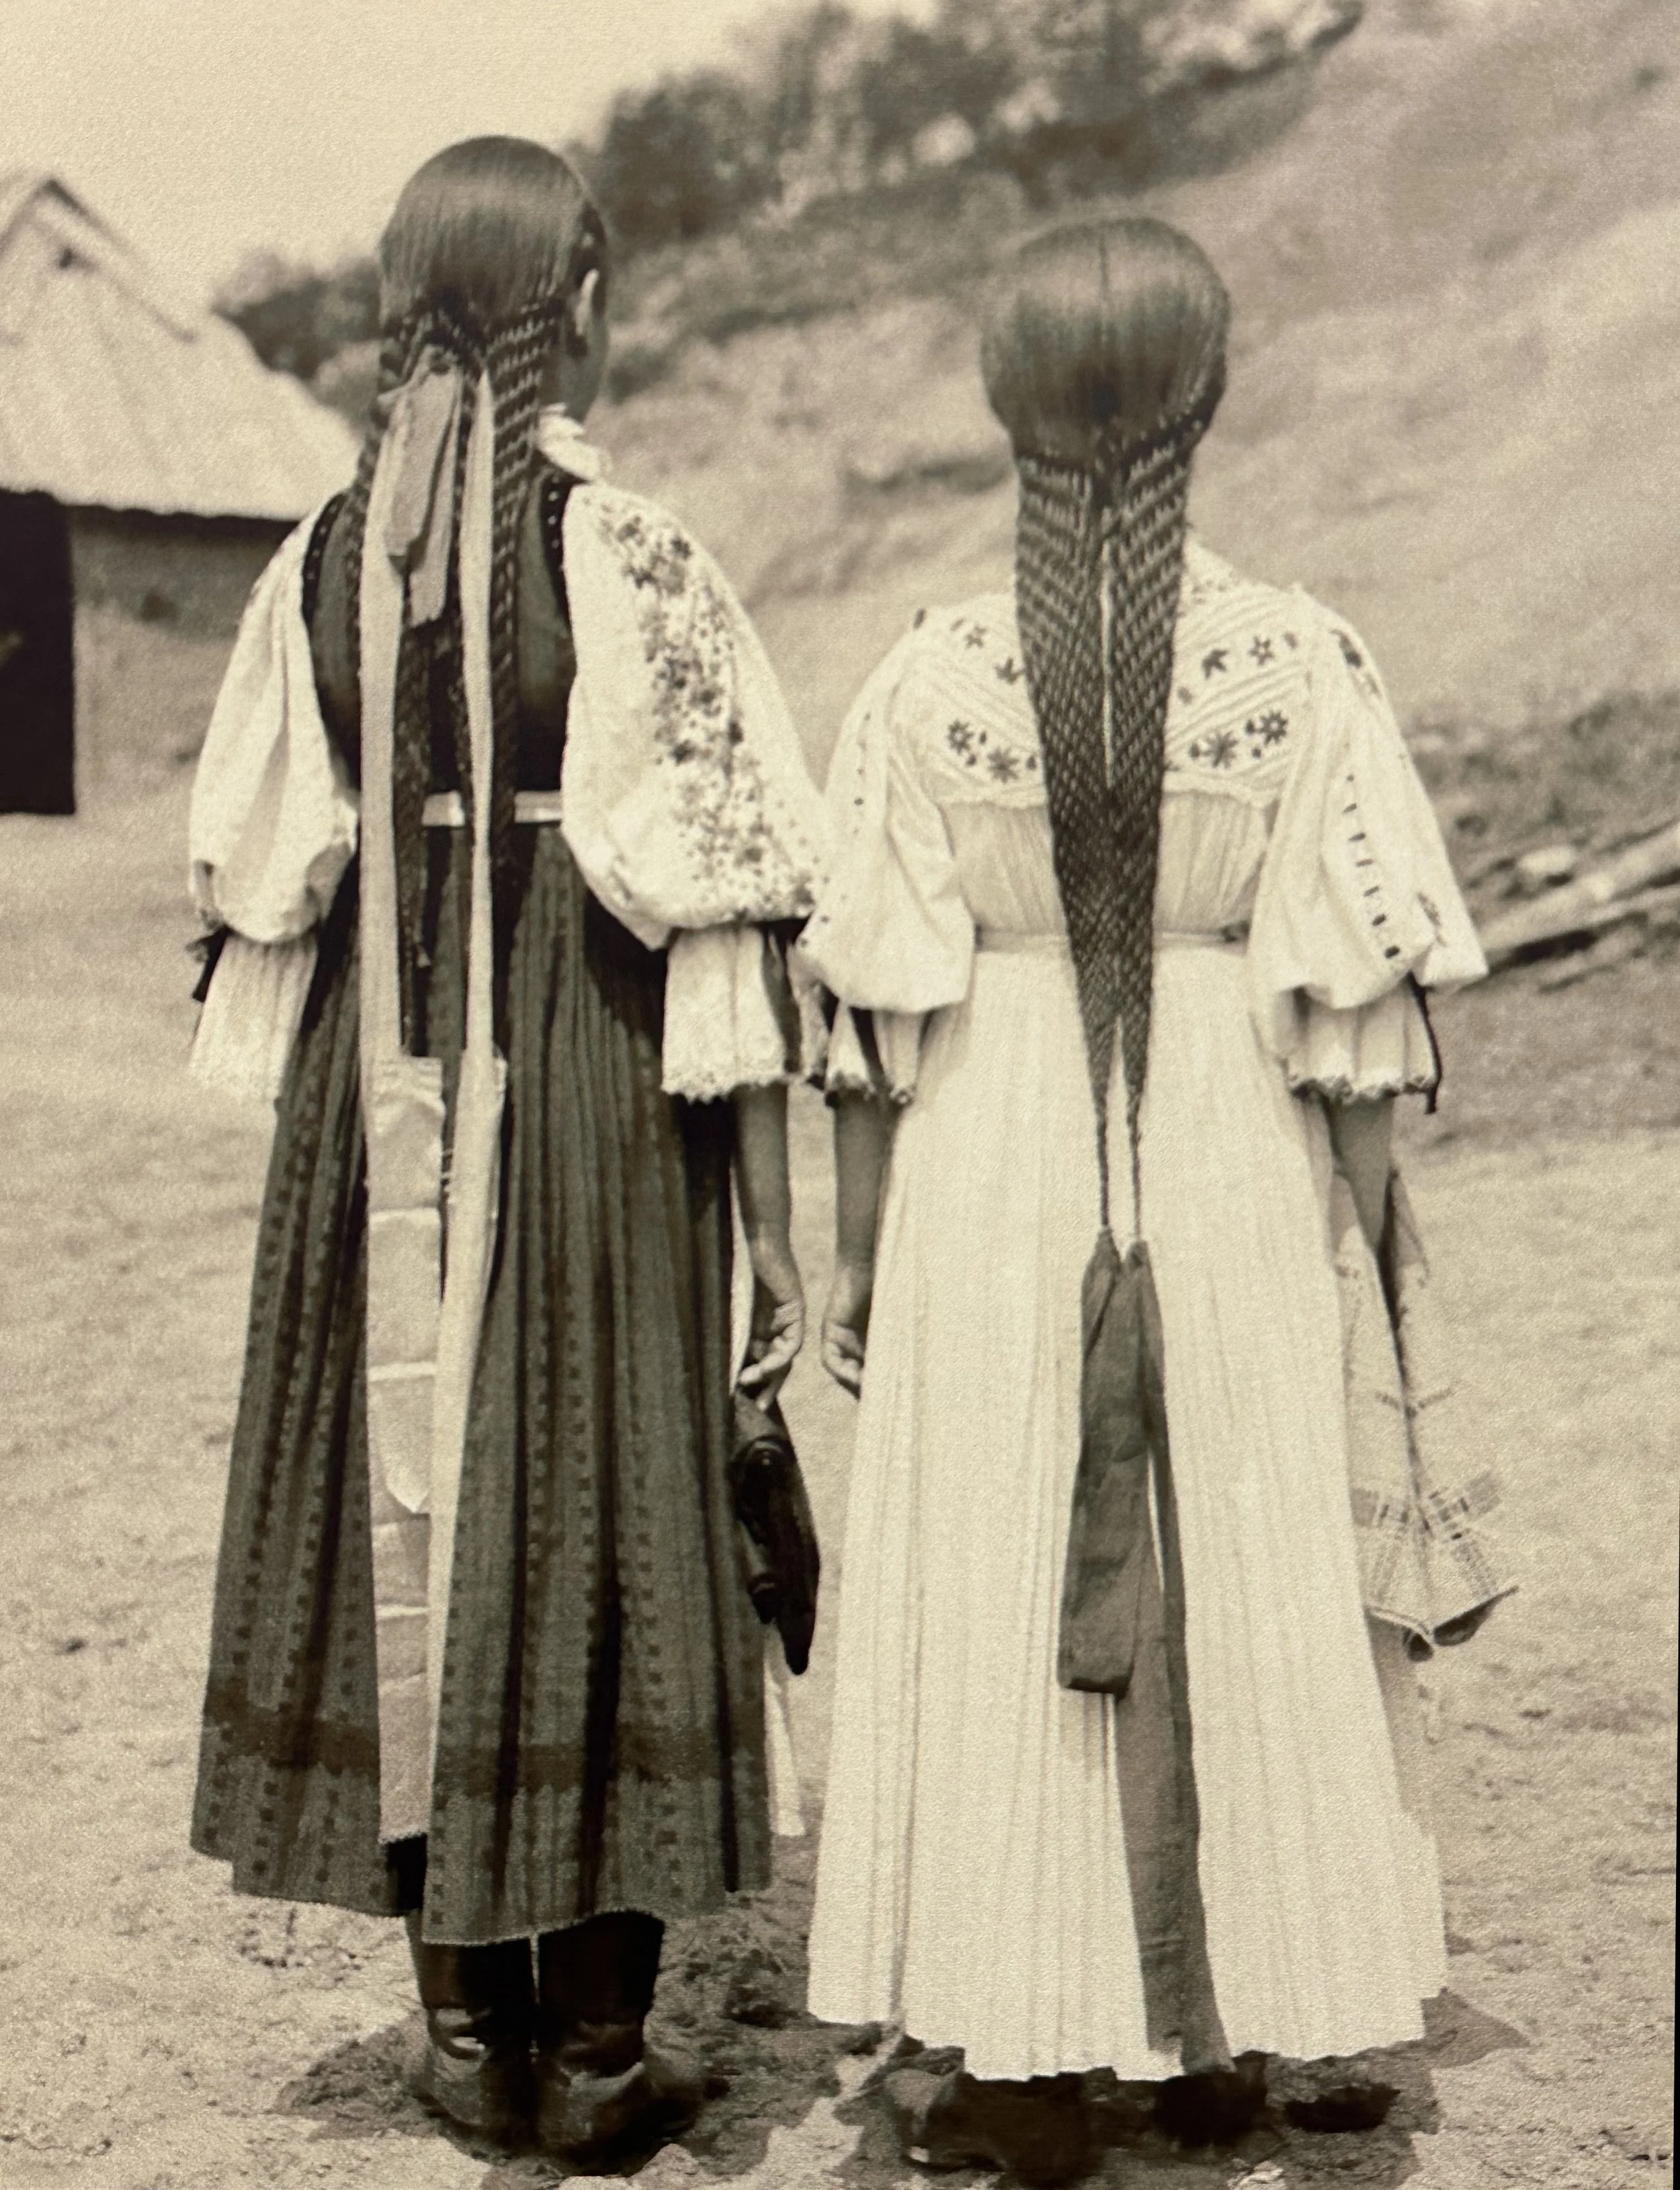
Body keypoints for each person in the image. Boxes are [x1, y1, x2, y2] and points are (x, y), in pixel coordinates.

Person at [797, 216, 1488, 2186]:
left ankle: (1023, 2055)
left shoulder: (927, 672)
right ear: (1205, 390)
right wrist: (1371, 1234)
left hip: (987, 1141)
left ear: (1002, 401)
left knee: (1005, 1549)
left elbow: (872, 1003)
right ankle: (1227, 2024)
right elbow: (1352, 987)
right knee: (1246, 1553)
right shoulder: (1291, 655)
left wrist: (855, 1255)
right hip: (1224, 1123)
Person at [185, 138, 826, 2164]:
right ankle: (603, 2050)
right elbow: (722, 887)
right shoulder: (630, 553)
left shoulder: (318, 555)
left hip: (383, 1085)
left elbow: (261, 875)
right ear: (587, 297)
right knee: (606, 1473)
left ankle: (467, 2040)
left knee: (415, 1501)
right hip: (578, 1064)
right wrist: (773, 1220)